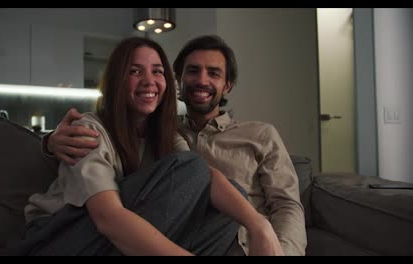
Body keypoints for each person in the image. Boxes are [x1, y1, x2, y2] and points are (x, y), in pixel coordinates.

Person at [16, 36, 283, 256]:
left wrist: (259, 225)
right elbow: (108, 217)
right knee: (194, 169)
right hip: (58, 240)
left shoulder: (167, 134)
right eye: (134, 71)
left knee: (231, 197)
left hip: (109, 241)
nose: (149, 80)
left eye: (157, 71)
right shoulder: (89, 129)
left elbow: (209, 180)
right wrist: (49, 142)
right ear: (116, 80)